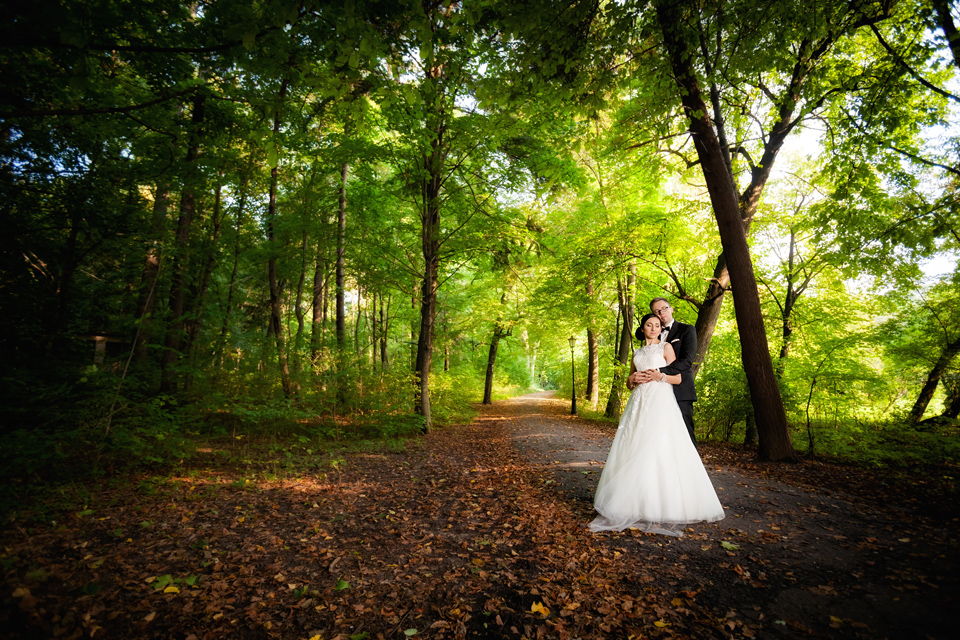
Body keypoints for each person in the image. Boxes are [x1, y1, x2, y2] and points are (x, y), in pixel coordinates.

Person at [589, 313, 724, 536]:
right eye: (649, 325)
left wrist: (659, 375)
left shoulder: (666, 348)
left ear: (661, 329)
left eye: (657, 325)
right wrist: (632, 380)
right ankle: (631, 502)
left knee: (658, 446)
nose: (653, 328)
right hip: (639, 403)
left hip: (661, 401)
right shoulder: (637, 352)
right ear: (642, 329)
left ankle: (662, 505)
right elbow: (630, 382)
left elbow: (678, 378)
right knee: (633, 446)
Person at [636, 297, 698, 446]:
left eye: (664, 308)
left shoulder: (686, 330)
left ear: (671, 309)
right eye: (657, 311)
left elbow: (687, 361)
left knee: (685, 434)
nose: (661, 313)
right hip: (655, 394)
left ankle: (690, 469)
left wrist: (658, 372)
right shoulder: (653, 334)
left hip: (680, 390)